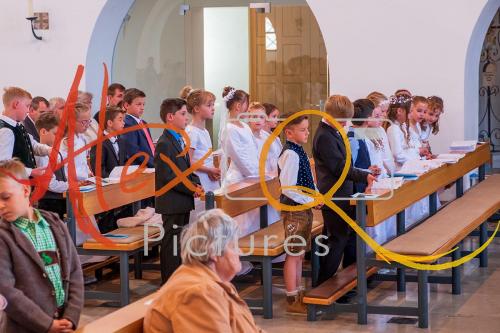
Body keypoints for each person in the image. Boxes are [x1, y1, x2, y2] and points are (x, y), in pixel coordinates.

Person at [143, 209, 264, 333]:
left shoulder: (217, 284)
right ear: (214, 252)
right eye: (233, 246)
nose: (240, 252)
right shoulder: (198, 293)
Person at [0, 159, 83, 333]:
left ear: (25, 190)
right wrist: (46, 324)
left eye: (5, 197)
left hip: (63, 323)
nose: (0, 205)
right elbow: (6, 291)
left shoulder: (55, 224)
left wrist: (71, 316)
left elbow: (74, 272)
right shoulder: (3, 237)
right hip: (24, 327)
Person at [312, 95, 375, 283]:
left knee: (346, 238)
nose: (344, 123)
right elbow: (339, 168)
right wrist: (363, 175)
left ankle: (350, 280)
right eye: (341, 120)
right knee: (337, 240)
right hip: (334, 194)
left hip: (345, 192)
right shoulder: (324, 135)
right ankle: (323, 285)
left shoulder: (334, 130)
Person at [155, 98, 202, 284]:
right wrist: (192, 189)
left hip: (181, 200)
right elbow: (170, 176)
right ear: (170, 117)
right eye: (183, 114)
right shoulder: (164, 143)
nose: (187, 118)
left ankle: (179, 280)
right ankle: (168, 283)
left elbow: (187, 168)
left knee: (179, 243)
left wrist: (196, 183)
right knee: (170, 246)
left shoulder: (179, 138)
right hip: (171, 201)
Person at [278, 114, 322, 314]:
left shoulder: (299, 151)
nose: (307, 132)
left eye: (307, 129)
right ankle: (291, 297)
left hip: (302, 208)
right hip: (294, 210)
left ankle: (297, 292)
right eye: (303, 129)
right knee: (293, 254)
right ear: (289, 132)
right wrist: (309, 200)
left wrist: (316, 196)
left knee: (299, 253)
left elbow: (307, 181)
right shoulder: (291, 154)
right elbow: (288, 188)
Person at [0, 87, 50, 177]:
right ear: (16, 104)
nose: (28, 111)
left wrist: (49, 150)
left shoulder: (18, 125)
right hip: (14, 186)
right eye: (27, 106)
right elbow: (4, 166)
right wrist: (31, 172)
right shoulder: (6, 131)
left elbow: (32, 145)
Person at [35, 112, 68, 220]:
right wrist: (70, 185)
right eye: (55, 134)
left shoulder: (56, 151)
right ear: (44, 131)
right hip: (48, 203)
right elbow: (49, 184)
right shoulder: (40, 155)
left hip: (59, 200)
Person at [347, 99, 381, 193]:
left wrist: (370, 170)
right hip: (358, 189)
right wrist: (367, 171)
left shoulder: (360, 135)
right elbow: (349, 169)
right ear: (368, 119)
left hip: (364, 183)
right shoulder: (353, 140)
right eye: (375, 115)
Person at [90, 106, 128, 179]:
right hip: (108, 184)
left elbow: (125, 162)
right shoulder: (98, 144)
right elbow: (99, 171)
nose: (124, 123)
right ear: (110, 123)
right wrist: (114, 179)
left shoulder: (122, 141)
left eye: (123, 120)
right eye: (120, 120)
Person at [122, 88, 154, 168]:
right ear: (126, 105)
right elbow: (134, 151)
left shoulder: (143, 123)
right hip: (141, 167)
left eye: (143, 104)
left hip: (150, 164)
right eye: (138, 104)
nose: (142, 107)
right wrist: (154, 164)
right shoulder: (127, 123)